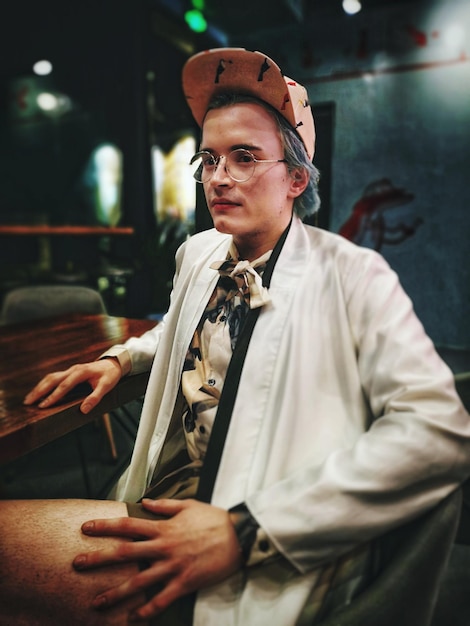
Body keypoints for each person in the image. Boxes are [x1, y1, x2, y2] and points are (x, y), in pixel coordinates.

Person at [1, 47, 469, 626]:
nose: (219, 178)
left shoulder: (353, 275)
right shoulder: (198, 253)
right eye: (209, 159)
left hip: (249, 541)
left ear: (297, 178)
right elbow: (181, 323)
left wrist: (246, 531)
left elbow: (441, 430)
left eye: (244, 158)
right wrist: (121, 359)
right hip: (167, 491)